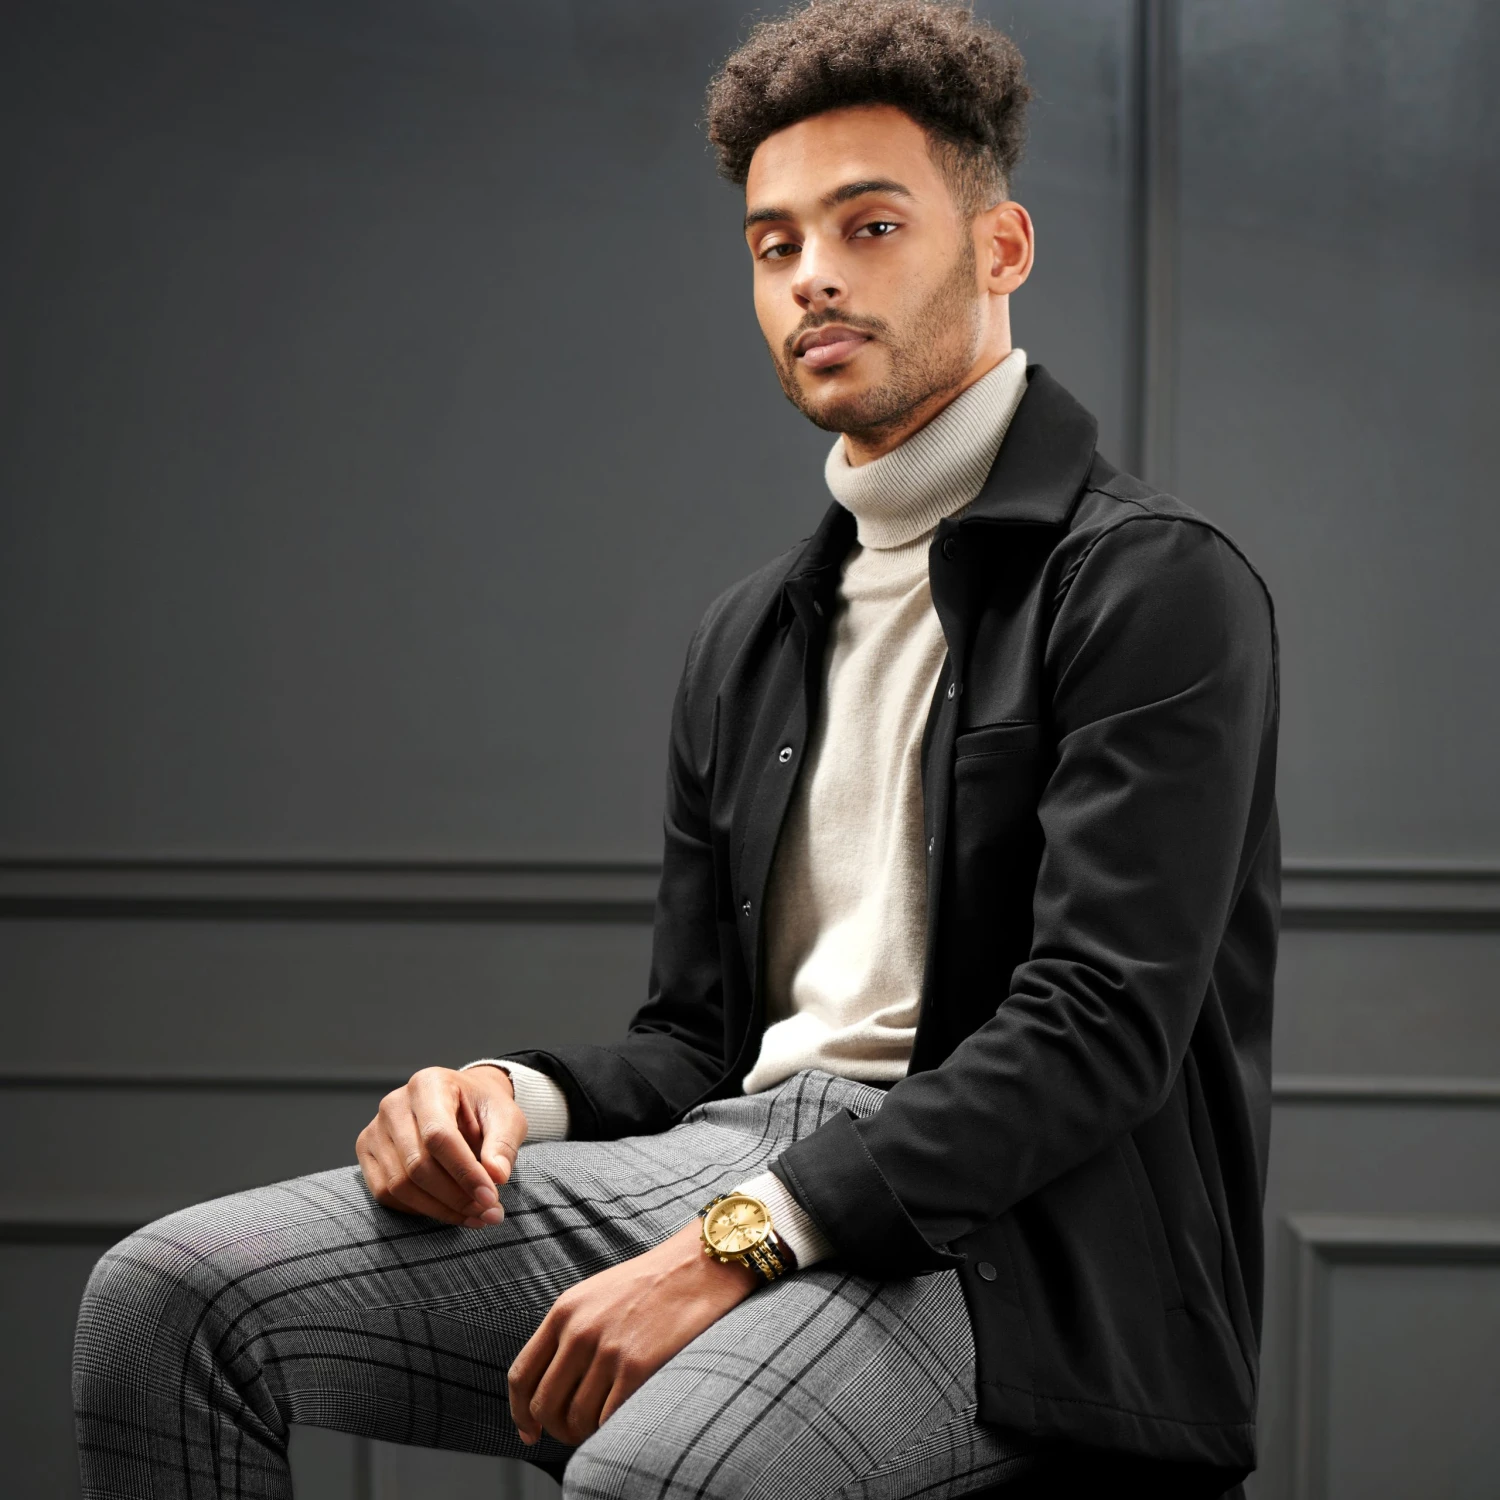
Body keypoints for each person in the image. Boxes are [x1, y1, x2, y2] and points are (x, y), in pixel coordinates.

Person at [73, 2, 1279, 1496]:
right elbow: (700, 1042)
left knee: (655, 1479)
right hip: (734, 1158)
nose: (814, 274)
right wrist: (508, 1095)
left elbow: (1097, 1024)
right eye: (775, 245)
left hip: (1013, 1249)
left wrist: (741, 1239)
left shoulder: (1153, 583)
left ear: (1000, 248)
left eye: (871, 225)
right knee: (167, 1304)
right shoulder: (752, 634)